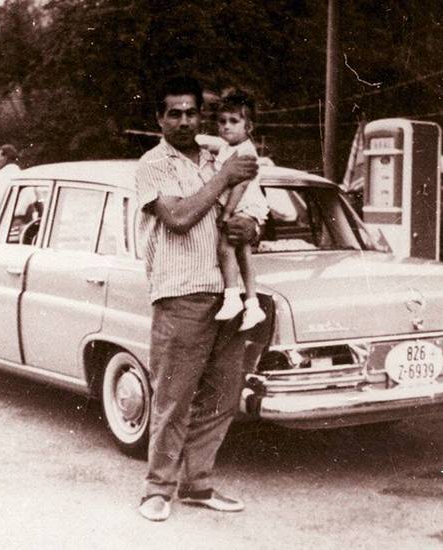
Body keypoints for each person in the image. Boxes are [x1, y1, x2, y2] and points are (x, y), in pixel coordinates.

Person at [135, 75, 261, 522]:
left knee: (223, 395)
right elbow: (179, 216)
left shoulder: (218, 154)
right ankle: (157, 489)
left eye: (192, 113)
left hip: (228, 294)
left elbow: (246, 207)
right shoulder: (153, 164)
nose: (185, 121)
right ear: (159, 118)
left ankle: (197, 484)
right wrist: (224, 177)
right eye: (175, 113)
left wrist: (251, 227)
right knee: (174, 397)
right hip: (181, 294)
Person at [211, 89, 269, 331]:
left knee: (225, 246)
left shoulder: (245, 151)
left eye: (234, 121)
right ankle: (253, 305)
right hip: (242, 206)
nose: (226, 126)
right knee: (243, 253)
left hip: (245, 204)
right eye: (222, 121)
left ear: (249, 126)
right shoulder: (228, 146)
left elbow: (240, 185)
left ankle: (232, 296)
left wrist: (226, 213)